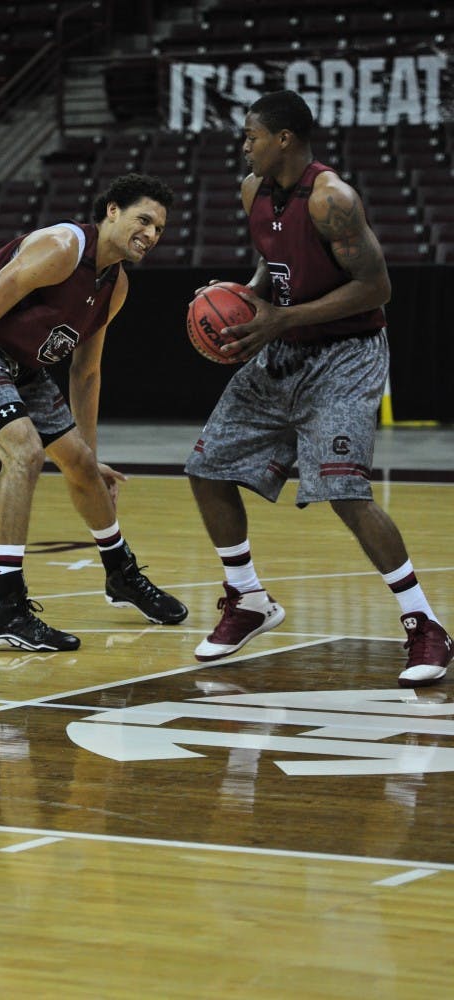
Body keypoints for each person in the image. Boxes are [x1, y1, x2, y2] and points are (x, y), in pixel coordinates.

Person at [185, 90, 452, 688]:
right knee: (206, 467)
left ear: (284, 138)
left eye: (251, 135)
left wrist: (281, 317)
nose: (244, 145)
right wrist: (247, 298)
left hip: (346, 355)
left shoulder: (333, 199)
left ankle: (425, 624)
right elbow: (273, 262)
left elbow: (376, 288)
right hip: (284, 349)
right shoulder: (253, 190)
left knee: (345, 491)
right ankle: (248, 599)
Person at [0, 172, 188, 652]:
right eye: (143, 220)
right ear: (112, 211)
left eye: (159, 229)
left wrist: (89, 455)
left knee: (80, 464)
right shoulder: (61, 248)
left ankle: (121, 575)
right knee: (24, 452)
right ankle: (4, 608)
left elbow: (86, 372)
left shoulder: (116, 285)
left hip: (19, 363)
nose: (151, 234)